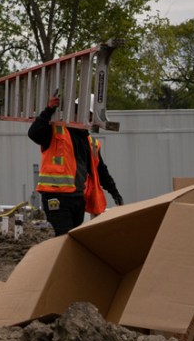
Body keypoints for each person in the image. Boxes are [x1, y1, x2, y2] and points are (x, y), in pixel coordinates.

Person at [28, 94, 123, 236]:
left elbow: (101, 171)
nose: (89, 119)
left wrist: (115, 193)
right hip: (56, 196)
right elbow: (33, 133)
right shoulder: (55, 131)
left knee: (72, 237)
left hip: (78, 197)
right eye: (88, 114)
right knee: (65, 237)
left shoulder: (90, 142)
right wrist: (48, 110)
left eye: (91, 116)